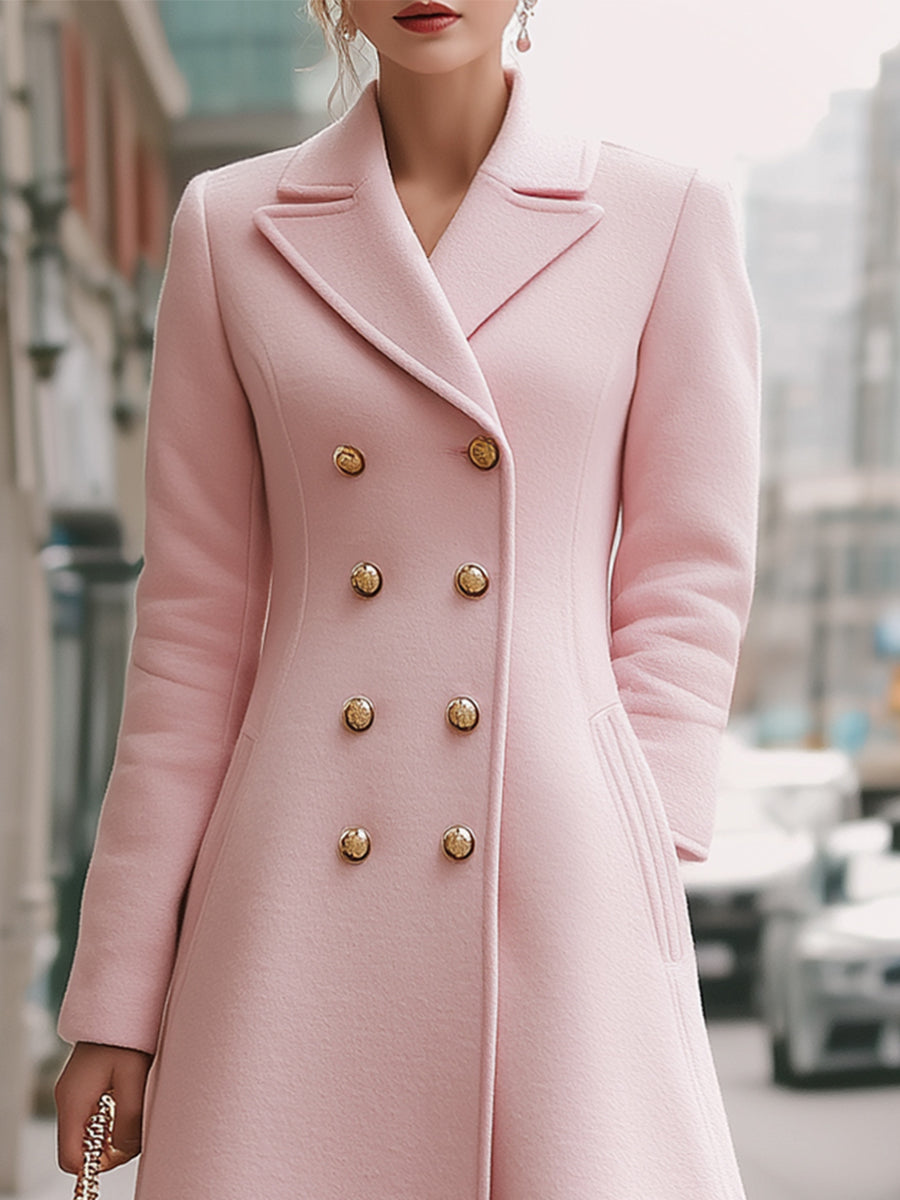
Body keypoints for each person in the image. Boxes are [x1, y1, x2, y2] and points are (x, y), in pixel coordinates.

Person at [54, 2, 760, 1197]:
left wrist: (637, 822)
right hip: (298, 872)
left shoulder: (663, 215)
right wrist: (117, 995)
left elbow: (689, 569)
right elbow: (191, 629)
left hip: (558, 864)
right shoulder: (232, 226)